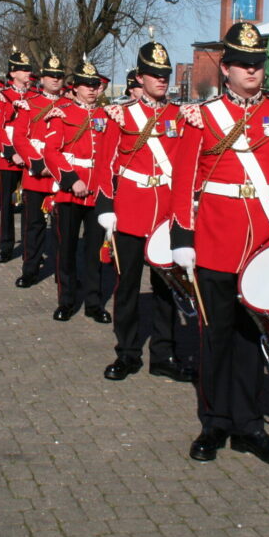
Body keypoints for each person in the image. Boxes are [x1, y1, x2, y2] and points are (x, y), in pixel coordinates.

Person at [170, 21, 269, 465]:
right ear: (227, 68)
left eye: (257, 63)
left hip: (265, 243)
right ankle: (215, 422)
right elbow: (185, 182)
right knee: (216, 337)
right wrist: (184, 237)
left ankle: (249, 425)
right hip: (216, 242)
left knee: (255, 339)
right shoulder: (203, 116)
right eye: (242, 63)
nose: (252, 71)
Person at [95, 39, 193, 382]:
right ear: (140, 77)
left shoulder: (179, 116)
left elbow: (186, 166)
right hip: (131, 210)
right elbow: (105, 165)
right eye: (154, 74)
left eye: (165, 73)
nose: (161, 79)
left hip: (166, 212)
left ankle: (164, 353)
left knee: (167, 288)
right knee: (127, 287)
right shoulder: (120, 115)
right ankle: (127, 352)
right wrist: (107, 207)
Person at [43, 58, 111, 323]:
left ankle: (94, 303)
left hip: (96, 191)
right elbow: (51, 152)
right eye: (86, 85)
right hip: (71, 190)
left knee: (95, 252)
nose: (92, 89)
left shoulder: (107, 115)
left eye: (95, 85)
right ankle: (67, 300)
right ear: (74, 88)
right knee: (67, 249)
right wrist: (71, 180)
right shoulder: (62, 112)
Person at [11, 54, 68, 289]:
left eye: (59, 76)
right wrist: (36, 164)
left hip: (60, 178)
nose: (55, 80)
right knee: (32, 226)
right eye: (51, 76)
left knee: (61, 230)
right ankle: (30, 269)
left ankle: (60, 271)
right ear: (41, 78)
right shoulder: (30, 103)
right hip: (36, 175)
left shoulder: (70, 106)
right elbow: (19, 138)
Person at [0, 49, 35, 263]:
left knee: (30, 205)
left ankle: (30, 247)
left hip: (29, 157)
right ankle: (7, 245)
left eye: (29, 69)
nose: (28, 73)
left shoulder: (33, 96)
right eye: (23, 69)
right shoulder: (3, 96)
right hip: (11, 159)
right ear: (12, 73)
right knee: (7, 204)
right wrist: (11, 154)